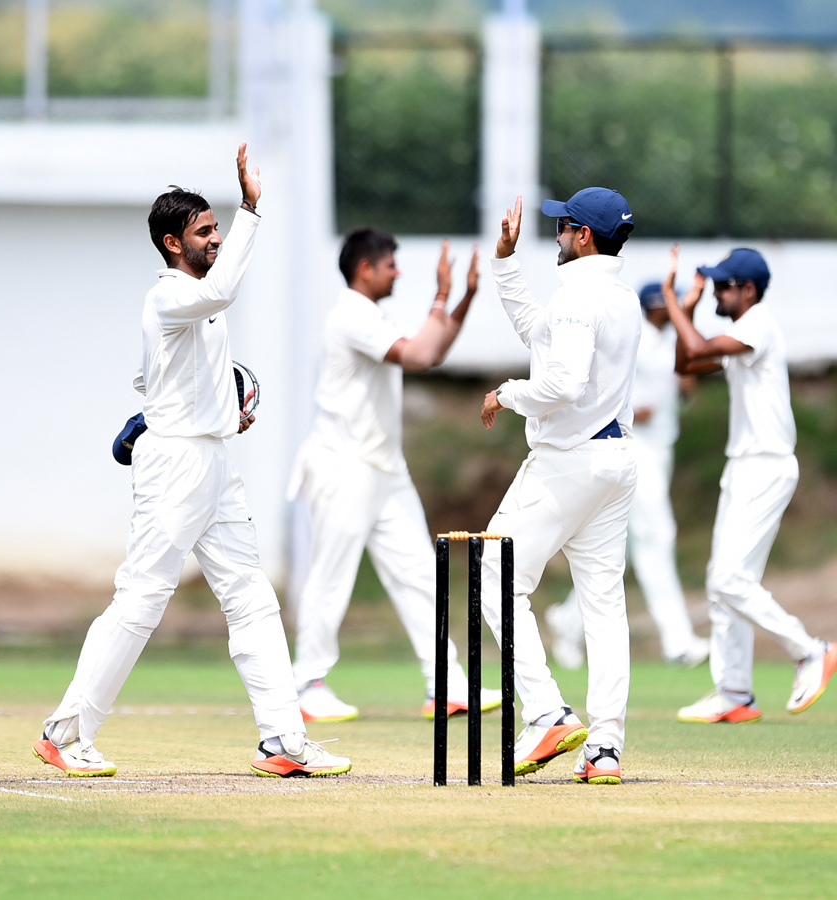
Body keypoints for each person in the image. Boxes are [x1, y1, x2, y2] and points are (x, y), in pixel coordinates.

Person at [33, 145, 350, 779]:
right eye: (206, 231)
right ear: (174, 244)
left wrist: (223, 412)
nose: (217, 238)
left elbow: (167, 376)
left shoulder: (194, 302)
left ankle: (283, 741)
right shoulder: (170, 296)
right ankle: (65, 733)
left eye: (219, 227)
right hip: (176, 467)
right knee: (142, 598)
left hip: (211, 460)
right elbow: (225, 290)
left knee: (252, 599)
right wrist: (254, 209)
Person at [288, 229, 503, 722]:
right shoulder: (350, 315)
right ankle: (306, 684)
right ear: (365, 268)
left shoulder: (373, 314)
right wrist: (443, 293)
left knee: (422, 576)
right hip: (344, 464)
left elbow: (434, 348)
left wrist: (465, 295)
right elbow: (419, 356)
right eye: (390, 265)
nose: (397, 272)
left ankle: (446, 686)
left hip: (383, 469)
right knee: (331, 575)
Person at [477, 189, 641, 785]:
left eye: (564, 226)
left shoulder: (578, 296)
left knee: (490, 570)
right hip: (615, 459)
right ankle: (604, 747)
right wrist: (505, 262)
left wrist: (509, 394)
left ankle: (546, 710)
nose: (557, 234)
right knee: (603, 604)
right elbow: (538, 333)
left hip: (568, 459)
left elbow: (563, 382)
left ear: (585, 235)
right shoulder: (618, 296)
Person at [663, 246, 836, 723]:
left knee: (728, 579)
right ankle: (734, 693)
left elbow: (696, 348)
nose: (717, 291)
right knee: (725, 584)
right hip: (743, 467)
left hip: (766, 466)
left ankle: (811, 650)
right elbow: (686, 364)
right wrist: (689, 307)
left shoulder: (759, 323)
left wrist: (674, 301)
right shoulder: (740, 330)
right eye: (715, 285)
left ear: (748, 290)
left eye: (723, 286)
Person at [544, 281, 710, 669]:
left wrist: (685, 387)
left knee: (622, 550)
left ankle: (567, 622)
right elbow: (603, 386)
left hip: (661, 450)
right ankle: (678, 641)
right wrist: (635, 408)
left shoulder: (670, 341)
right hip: (635, 448)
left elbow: (683, 390)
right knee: (657, 535)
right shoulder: (634, 339)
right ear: (655, 306)